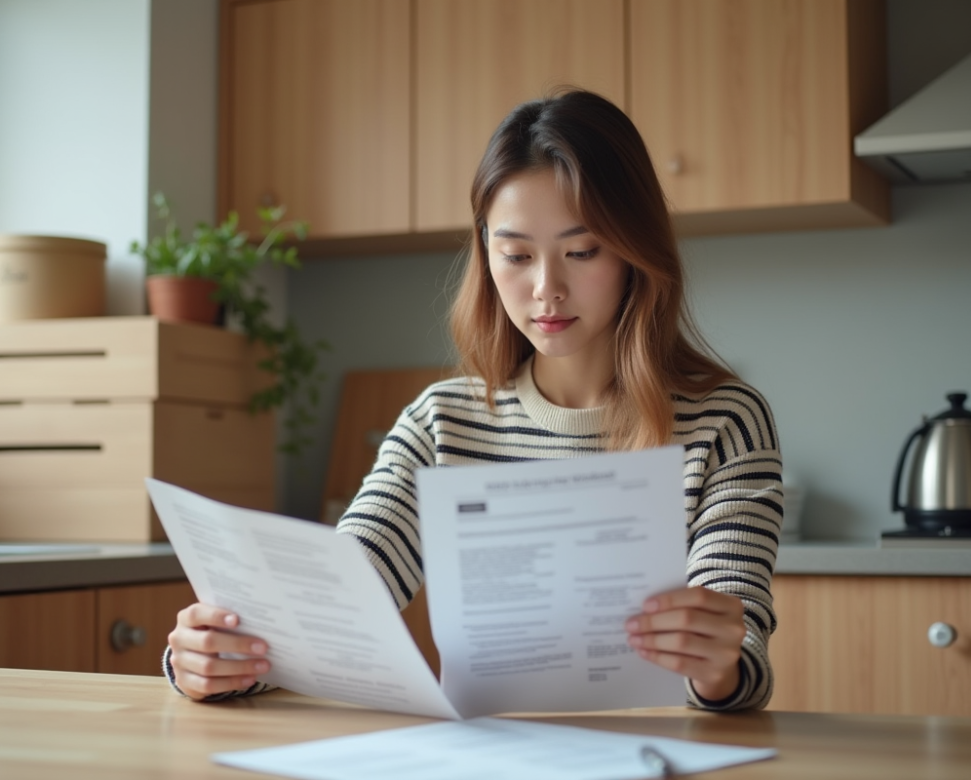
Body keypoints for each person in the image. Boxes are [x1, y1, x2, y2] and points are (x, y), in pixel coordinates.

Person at [165, 88, 782, 711]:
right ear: (486, 255)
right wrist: (214, 659)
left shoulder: (724, 421)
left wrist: (718, 665)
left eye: (582, 251)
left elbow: (740, 645)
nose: (547, 290)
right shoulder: (442, 423)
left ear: (634, 251)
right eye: (515, 255)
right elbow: (339, 607)